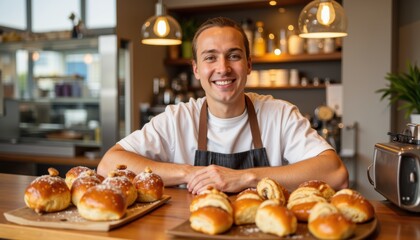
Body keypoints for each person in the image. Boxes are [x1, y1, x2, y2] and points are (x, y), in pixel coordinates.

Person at [97, 17, 348, 194]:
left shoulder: (279, 114)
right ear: (196, 69)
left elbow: (335, 172)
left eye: (234, 55)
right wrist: (189, 173)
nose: (223, 68)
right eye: (210, 57)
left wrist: (245, 178)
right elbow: (108, 164)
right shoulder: (178, 119)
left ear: (249, 65)